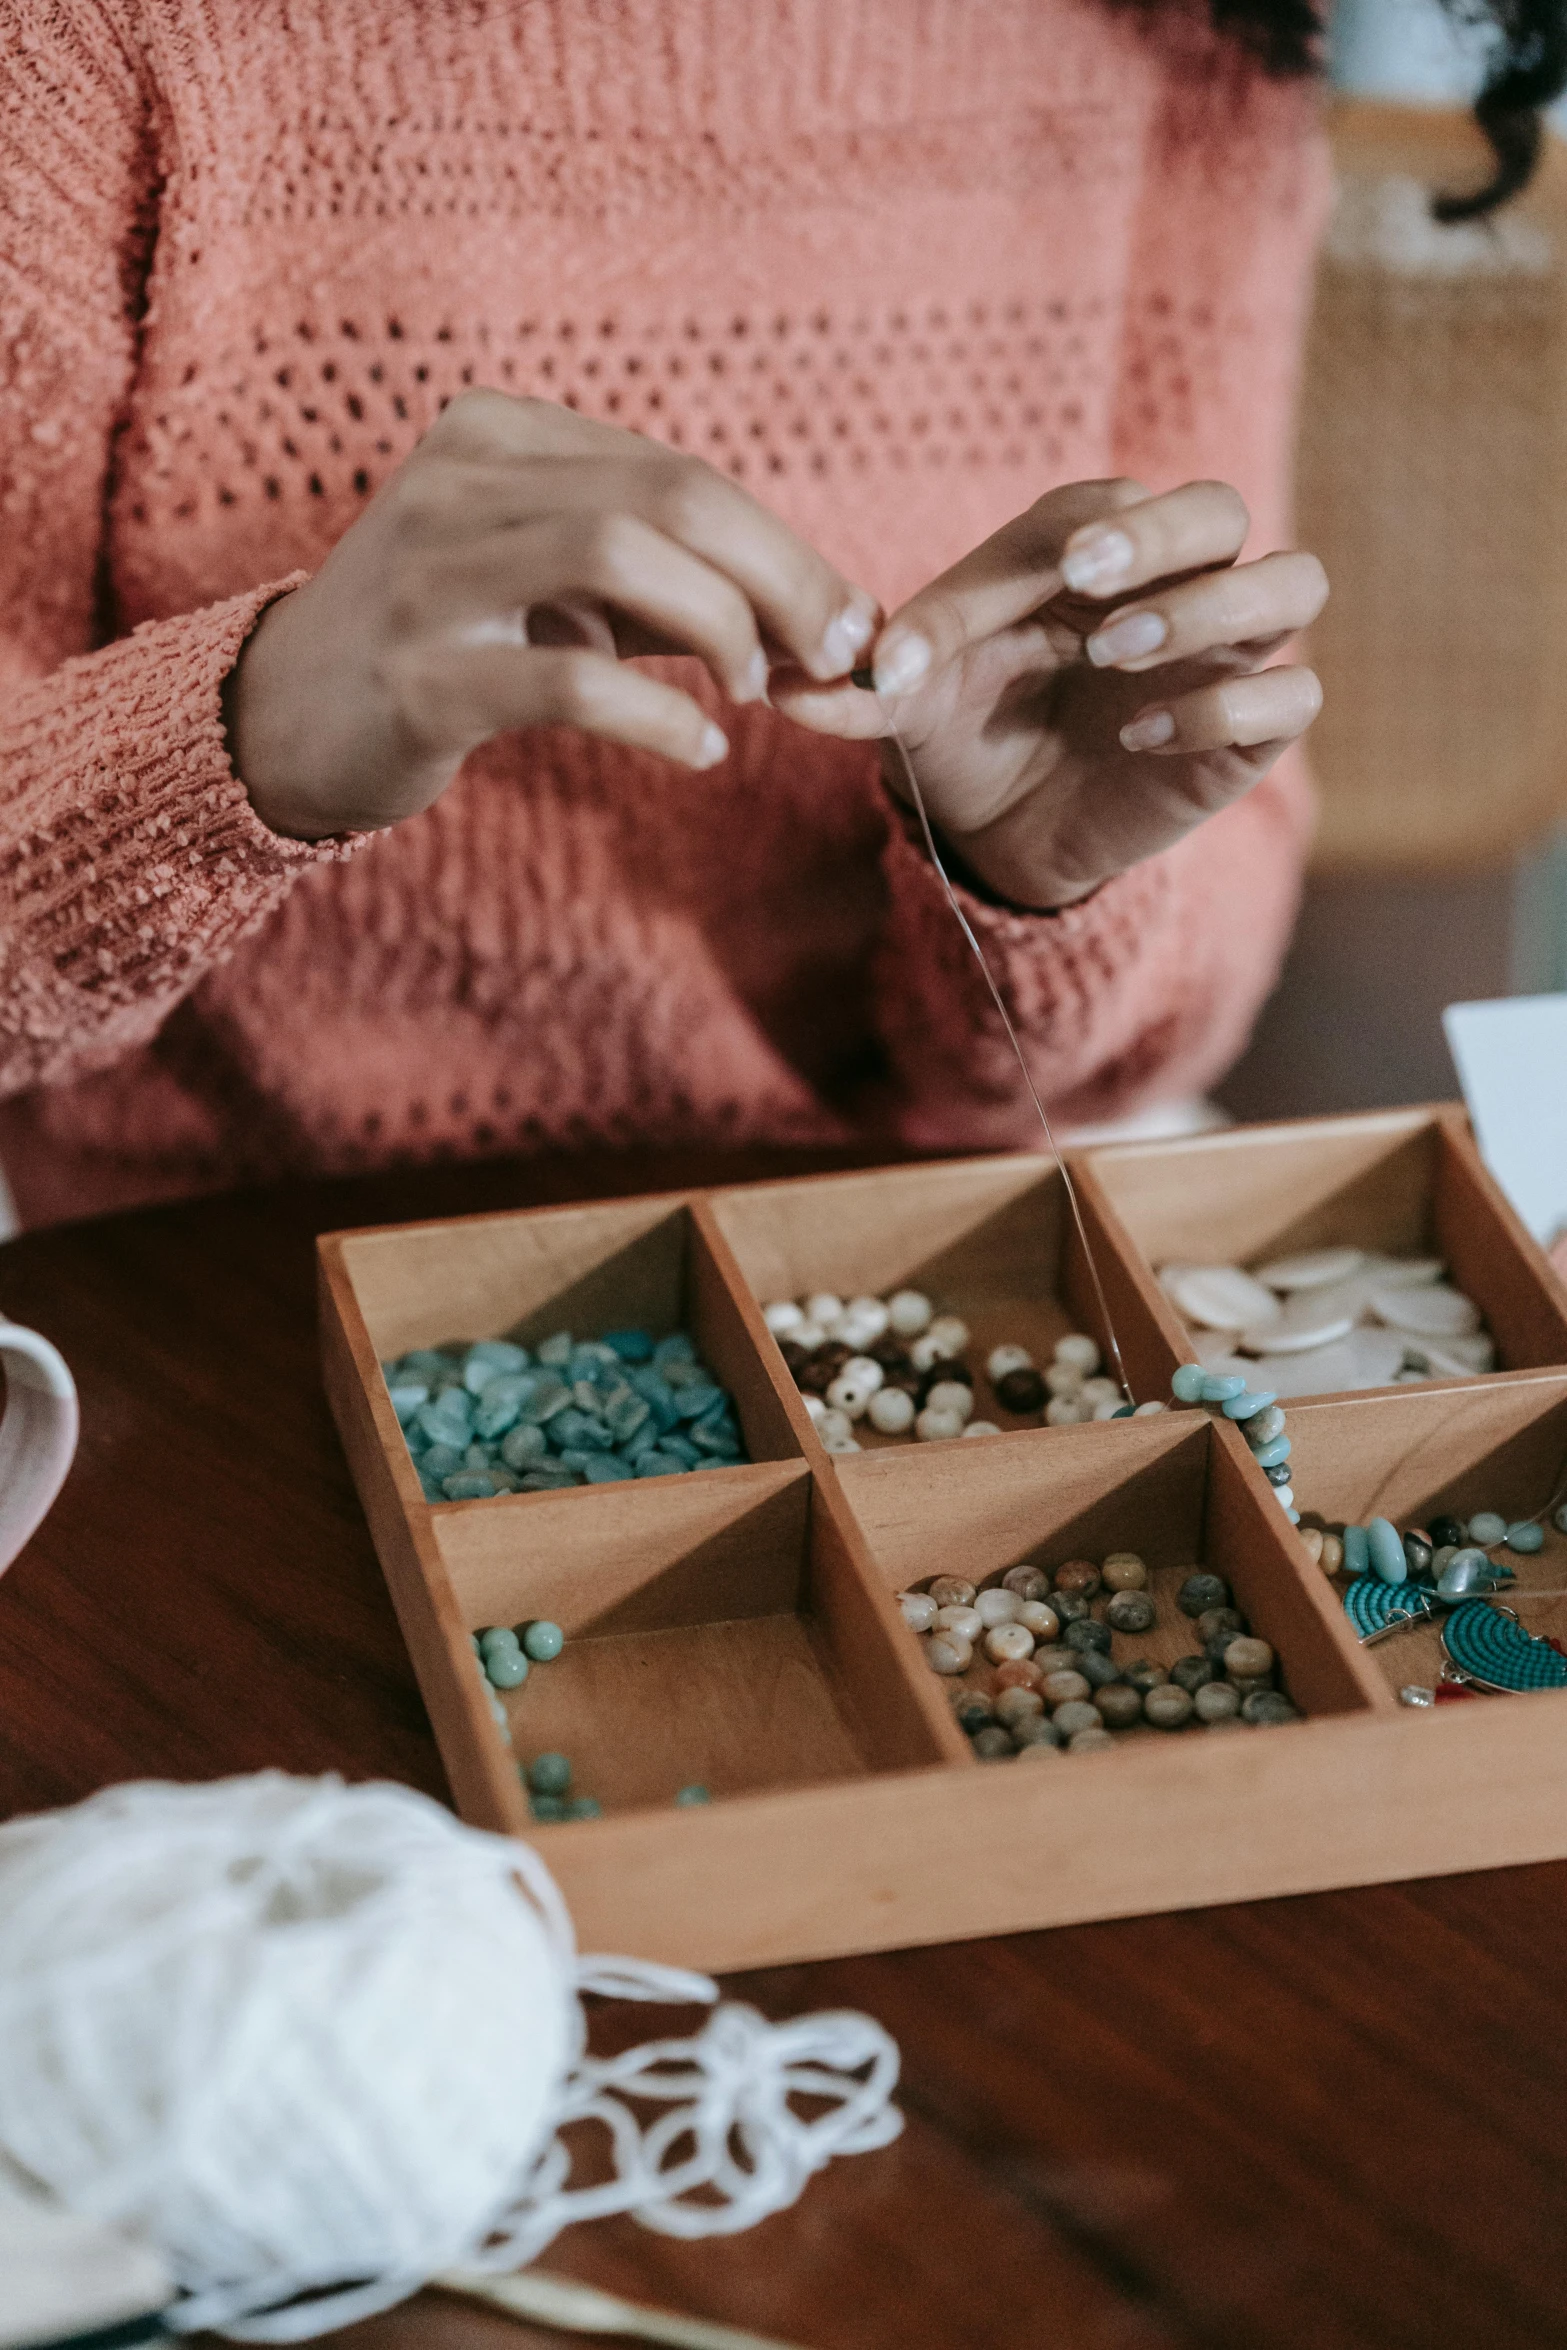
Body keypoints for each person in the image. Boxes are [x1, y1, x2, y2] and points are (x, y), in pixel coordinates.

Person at [0, 1, 1541, 1229]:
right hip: (210, 1281)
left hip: (895, 1244)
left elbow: (1158, 1031)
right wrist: (252, 736)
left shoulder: (1195, 35)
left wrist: (1032, 871)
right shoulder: (91, 39)